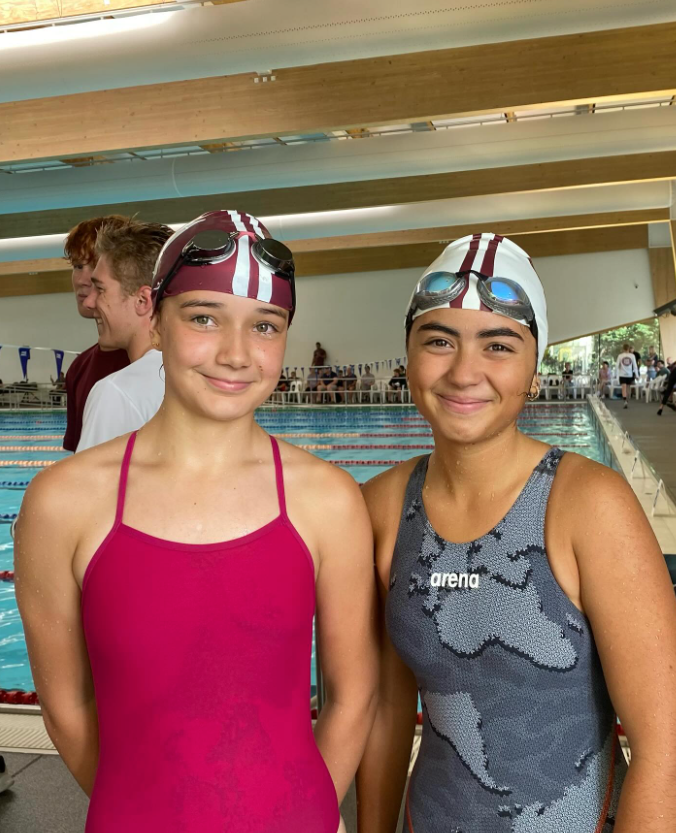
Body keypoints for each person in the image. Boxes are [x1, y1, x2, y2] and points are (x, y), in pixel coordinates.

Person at [15, 210, 377, 833]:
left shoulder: (329, 500)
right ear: (155, 318)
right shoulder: (62, 503)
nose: (236, 355)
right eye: (204, 317)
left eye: (265, 326)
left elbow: (352, 697)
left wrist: (304, 814)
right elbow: (67, 705)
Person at [356, 233, 676, 833]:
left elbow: (667, 750)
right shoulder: (381, 506)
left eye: (497, 345)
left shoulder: (587, 504)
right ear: (407, 356)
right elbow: (386, 707)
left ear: (534, 366)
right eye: (438, 340)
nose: (463, 371)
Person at [77, 219, 173, 451]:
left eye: (100, 289)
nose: (90, 302)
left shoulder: (117, 393)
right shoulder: (198, 378)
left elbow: (87, 487)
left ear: (143, 300)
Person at [62, 216, 131, 452]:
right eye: (78, 266)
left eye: (94, 266)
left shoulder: (161, 363)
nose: (83, 279)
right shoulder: (80, 367)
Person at [616, 343, 639, 409]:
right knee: (628, 388)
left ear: (623, 348)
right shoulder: (632, 356)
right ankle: (627, 400)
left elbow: (617, 366)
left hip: (622, 374)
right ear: (629, 349)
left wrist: (616, 376)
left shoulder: (620, 356)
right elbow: (635, 366)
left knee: (623, 387)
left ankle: (625, 400)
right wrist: (637, 375)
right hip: (629, 374)